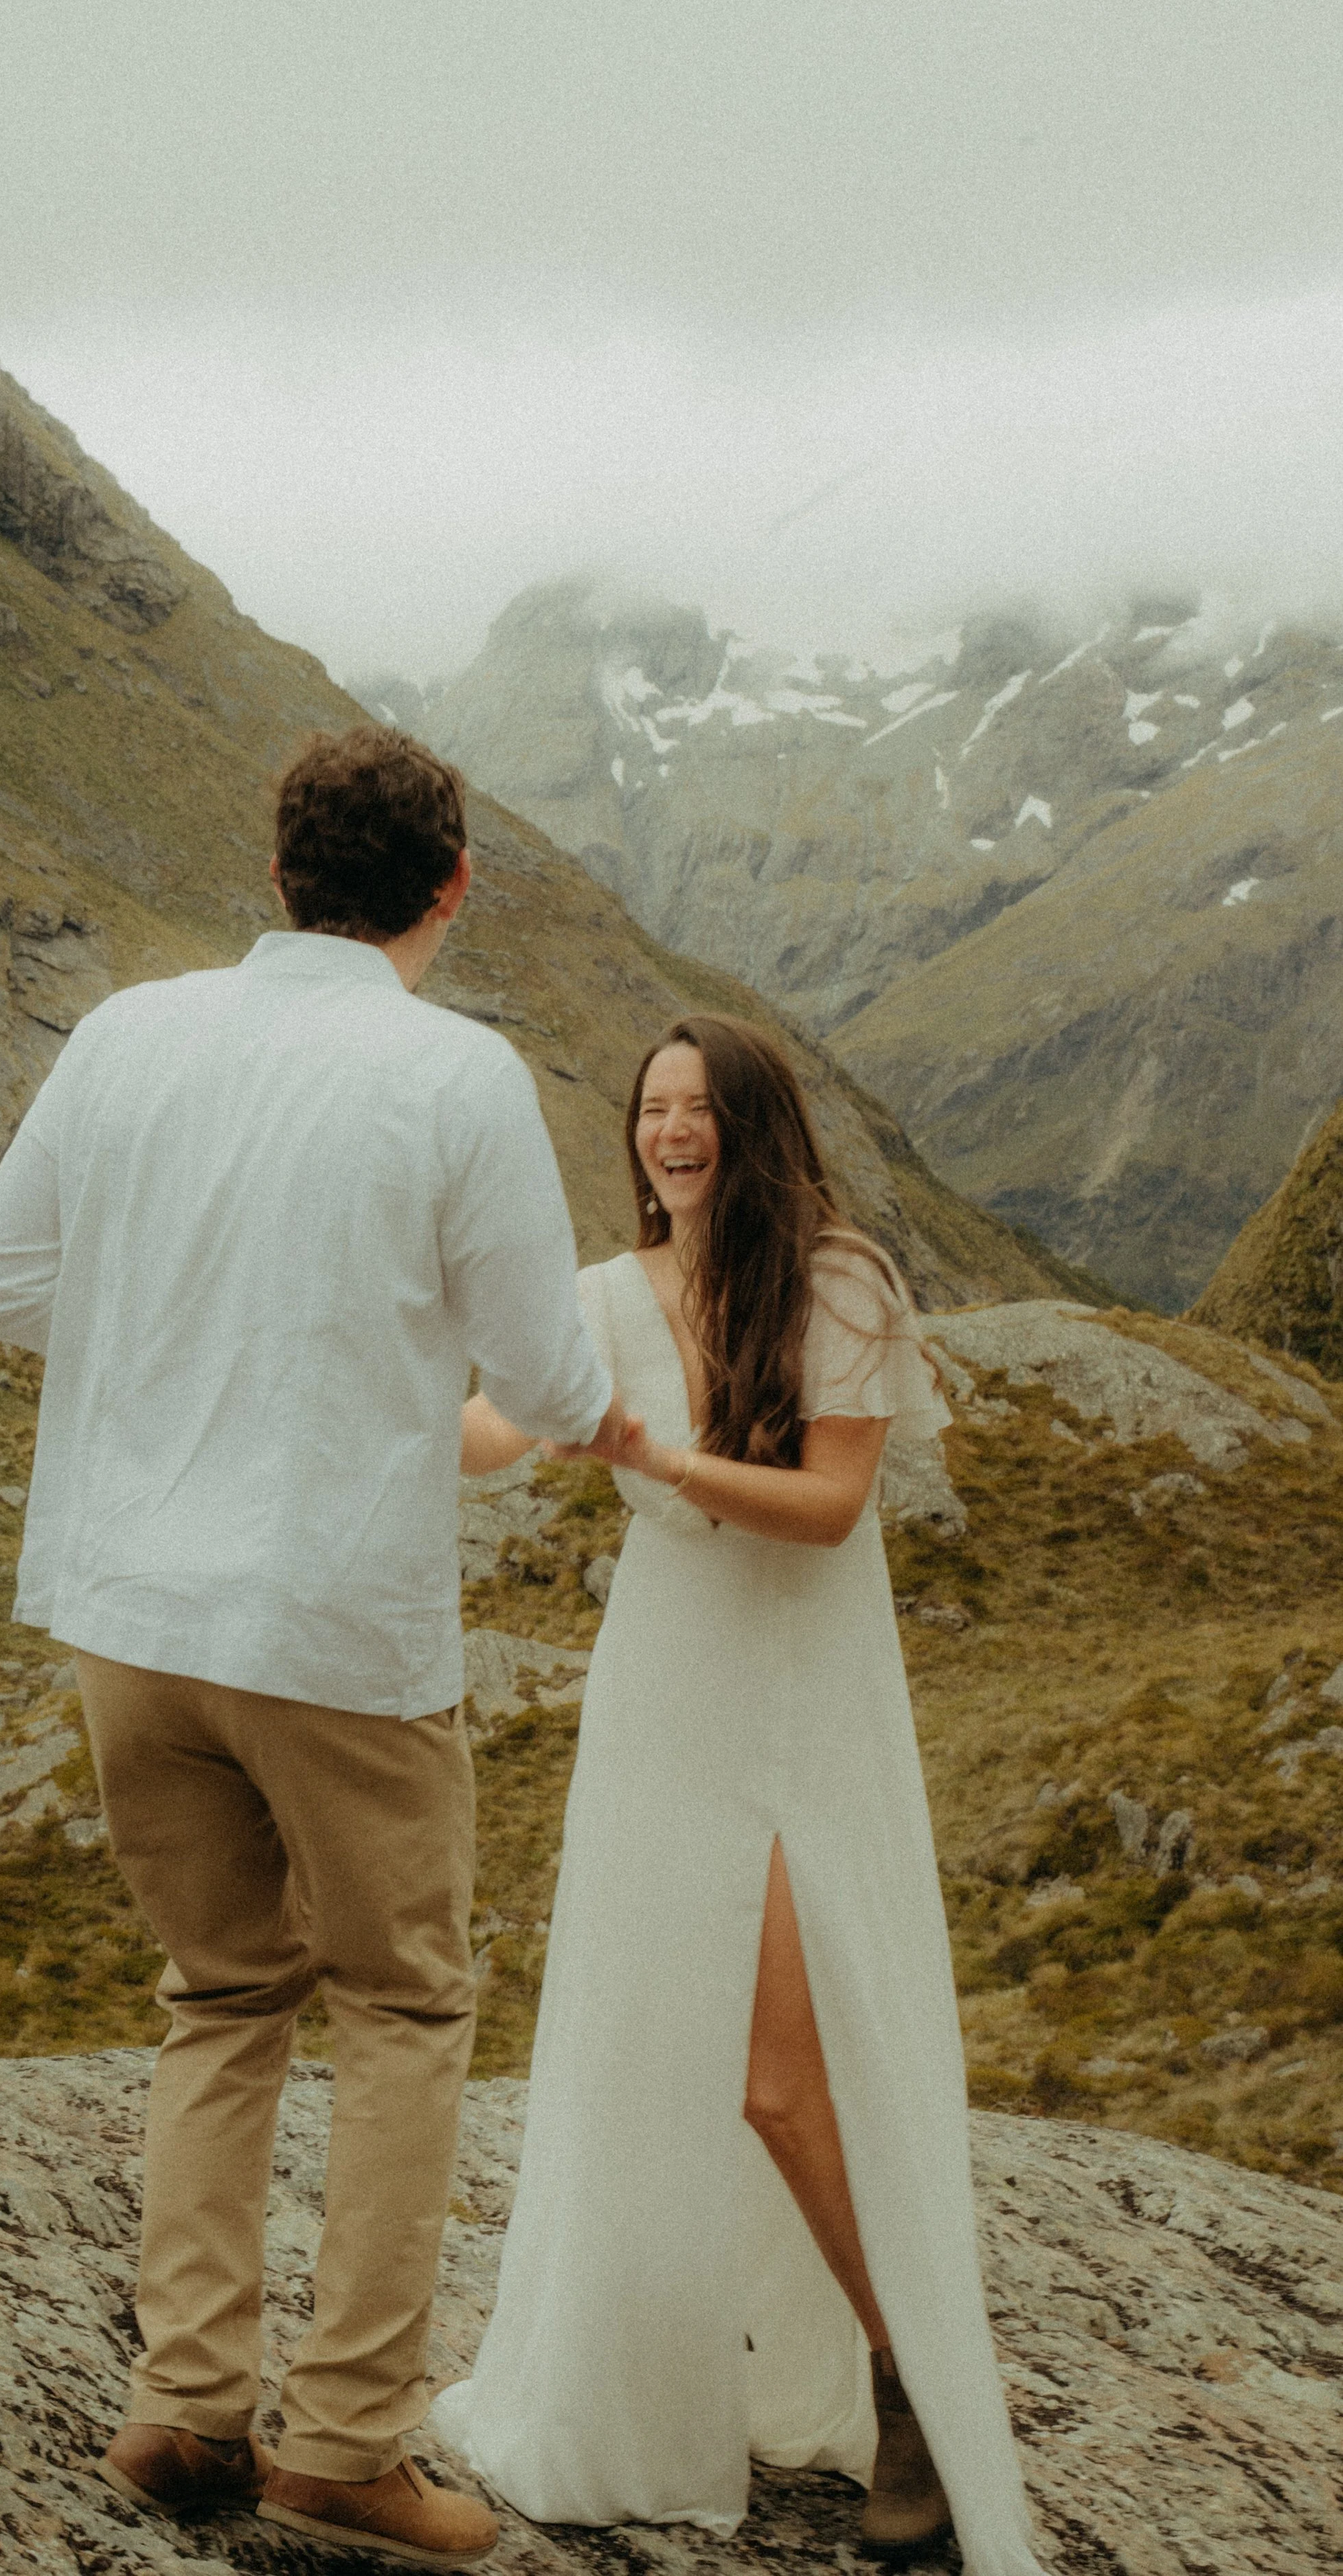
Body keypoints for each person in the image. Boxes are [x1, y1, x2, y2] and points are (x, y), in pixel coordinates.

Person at [0, 725, 627, 2572]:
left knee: (219, 1990)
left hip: (127, 1616)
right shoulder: (455, 1076)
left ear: (277, 875)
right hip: (329, 1620)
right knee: (403, 2005)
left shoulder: (126, 1037)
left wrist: (184, 1327)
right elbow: (550, 1382)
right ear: (453, 882)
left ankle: (182, 2408)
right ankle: (339, 2442)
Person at [429, 1016, 1048, 2574]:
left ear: (749, 1124)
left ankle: (904, 2375)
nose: (669, 1130)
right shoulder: (596, 1297)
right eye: (649, 1107)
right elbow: (496, 1431)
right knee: (653, 2037)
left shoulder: (838, 1282)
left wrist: (660, 1456)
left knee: (780, 2070)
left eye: (699, 1107)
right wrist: (355, 1414)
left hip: (803, 1691)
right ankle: (676, 2379)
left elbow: (830, 1509)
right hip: (665, 1684)